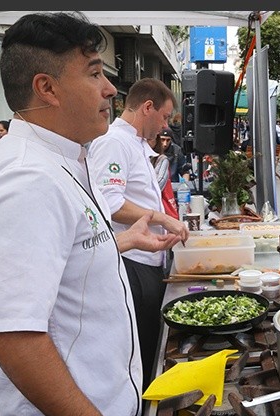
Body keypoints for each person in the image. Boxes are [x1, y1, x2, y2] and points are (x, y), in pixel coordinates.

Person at [0, 12, 181, 416]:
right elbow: (11, 338)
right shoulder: (25, 179)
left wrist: (118, 242)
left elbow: (62, 259)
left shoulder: (66, 158)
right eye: (95, 73)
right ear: (46, 88)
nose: (109, 89)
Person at [88, 77, 189, 394]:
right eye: (164, 117)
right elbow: (111, 202)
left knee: (150, 340)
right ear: (148, 107)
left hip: (149, 256)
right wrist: (161, 218)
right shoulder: (114, 142)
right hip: (132, 261)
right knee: (142, 344)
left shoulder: (136, 144)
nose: (164, 126)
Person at [148, 132, 178, 220]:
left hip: (159, 206)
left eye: (150, 139)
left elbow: (159, 183)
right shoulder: (141, 158)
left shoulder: (162, 159)